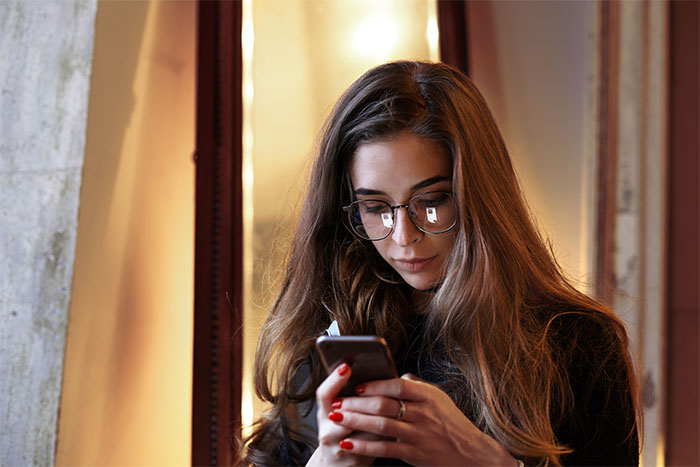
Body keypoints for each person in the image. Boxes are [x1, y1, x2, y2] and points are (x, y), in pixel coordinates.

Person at [240, 61, 640, 466]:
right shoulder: (326, 338)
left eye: (431, 202)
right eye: (375, 207)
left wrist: (486, 463)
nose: (403, 236)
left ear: (478, 195)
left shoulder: (578, 343)